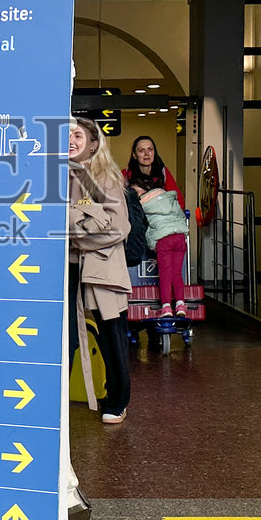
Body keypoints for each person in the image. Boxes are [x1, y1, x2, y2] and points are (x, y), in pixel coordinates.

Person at [68, 119, 134, 424]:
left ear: (94, 144)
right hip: (65, 269)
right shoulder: (53, 176)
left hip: (101, 269)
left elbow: (118, 227)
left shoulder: (106, 177)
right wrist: (83, 219)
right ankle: (59, 400)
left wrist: (74, 231)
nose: (71, 140)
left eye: (78, 136)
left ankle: (118, 399)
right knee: (65, 336)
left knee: (111, 335)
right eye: (66, 135)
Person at [125, 136, 189, 317]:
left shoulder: (163, 173)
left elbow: (178, 201)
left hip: (161, 232)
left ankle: (169, 305)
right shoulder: (126, 176)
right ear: (134, 154)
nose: (146, 154)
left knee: (169, 271)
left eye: (150, 149)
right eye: (141, 150)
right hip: (139, 232)